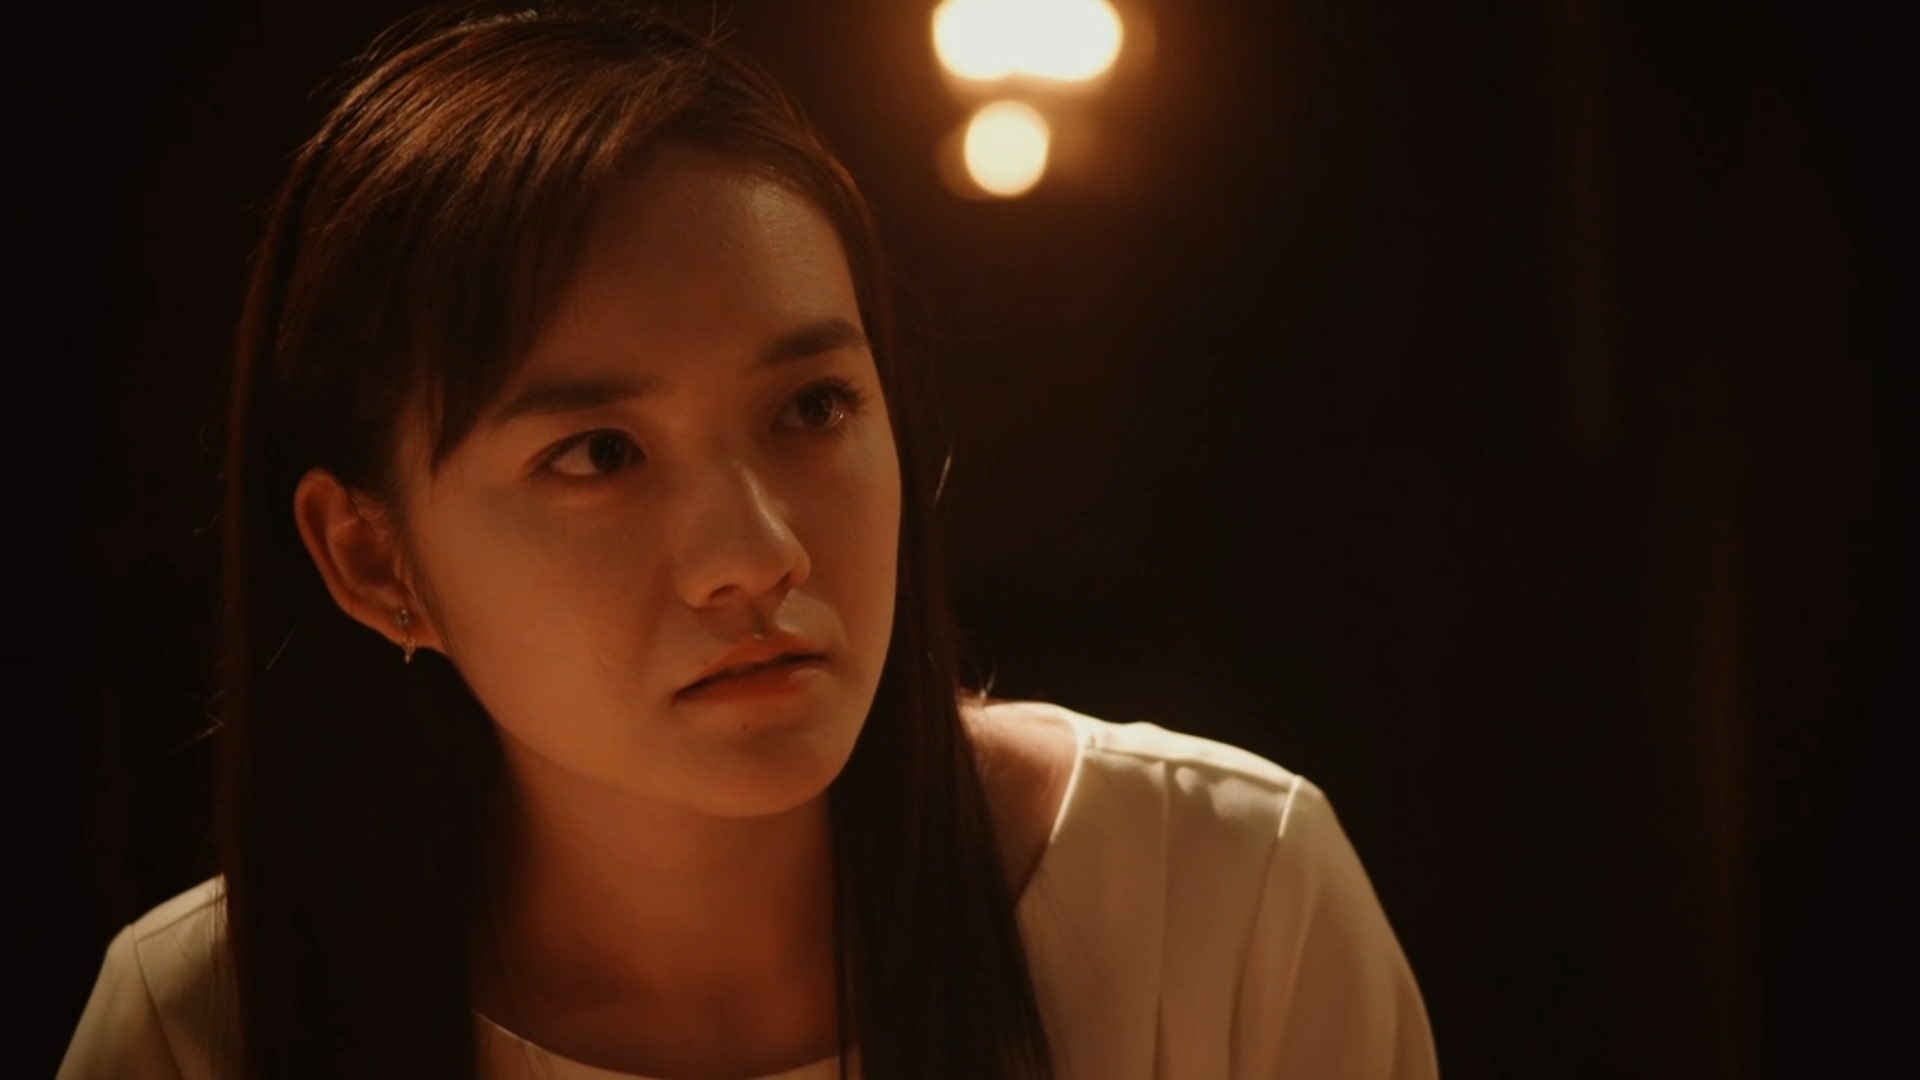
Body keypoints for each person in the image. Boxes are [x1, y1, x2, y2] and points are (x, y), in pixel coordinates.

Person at [62, 3, 1437, 1077]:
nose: (758, 552)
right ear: (375, 561)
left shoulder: (1220, 897)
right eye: (598, 453)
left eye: (813, 408)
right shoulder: (207, 1030)